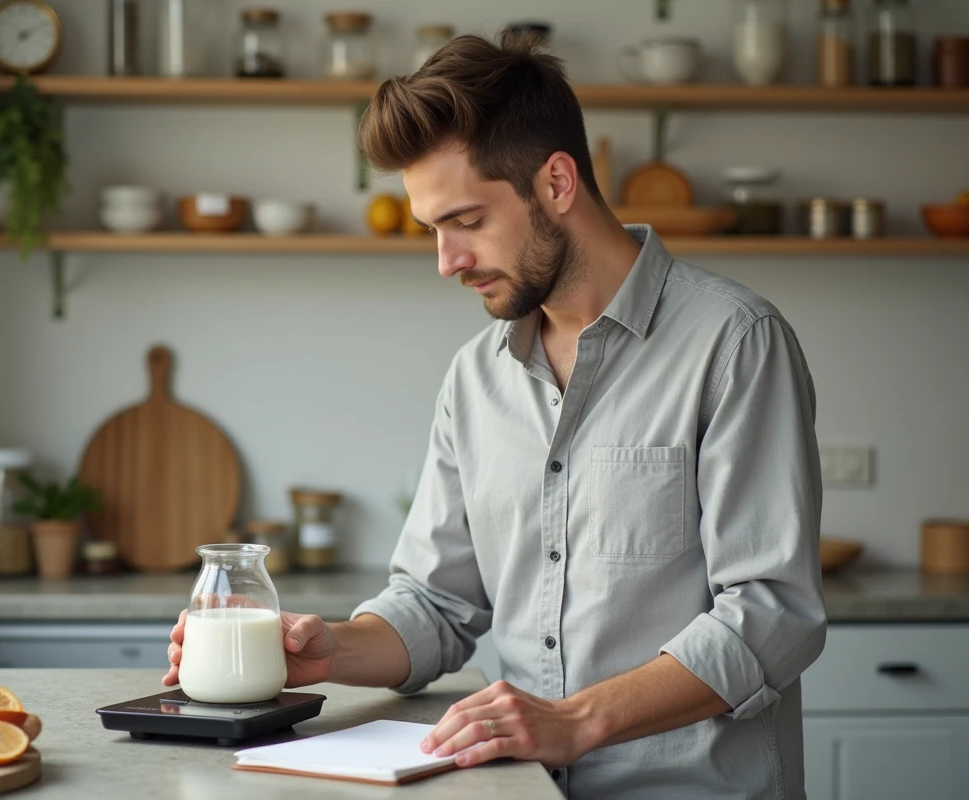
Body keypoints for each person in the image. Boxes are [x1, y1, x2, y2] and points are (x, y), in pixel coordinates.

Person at [165, 30, 825, 799]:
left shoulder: (735, 343)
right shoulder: (476, 377)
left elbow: (774, 614)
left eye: (467, 222)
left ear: (556, 182)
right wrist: (329, 651)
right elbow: (437, 603)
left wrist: (576, 720)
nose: (446, 261)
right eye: (433, 230)